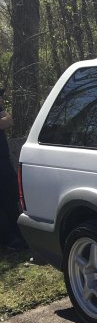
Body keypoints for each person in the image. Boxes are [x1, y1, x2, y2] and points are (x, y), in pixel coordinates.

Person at [0, 96, 26, 251]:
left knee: (11, 197)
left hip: (2, 159)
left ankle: (19, 236)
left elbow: (8, 121)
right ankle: (8, 239)